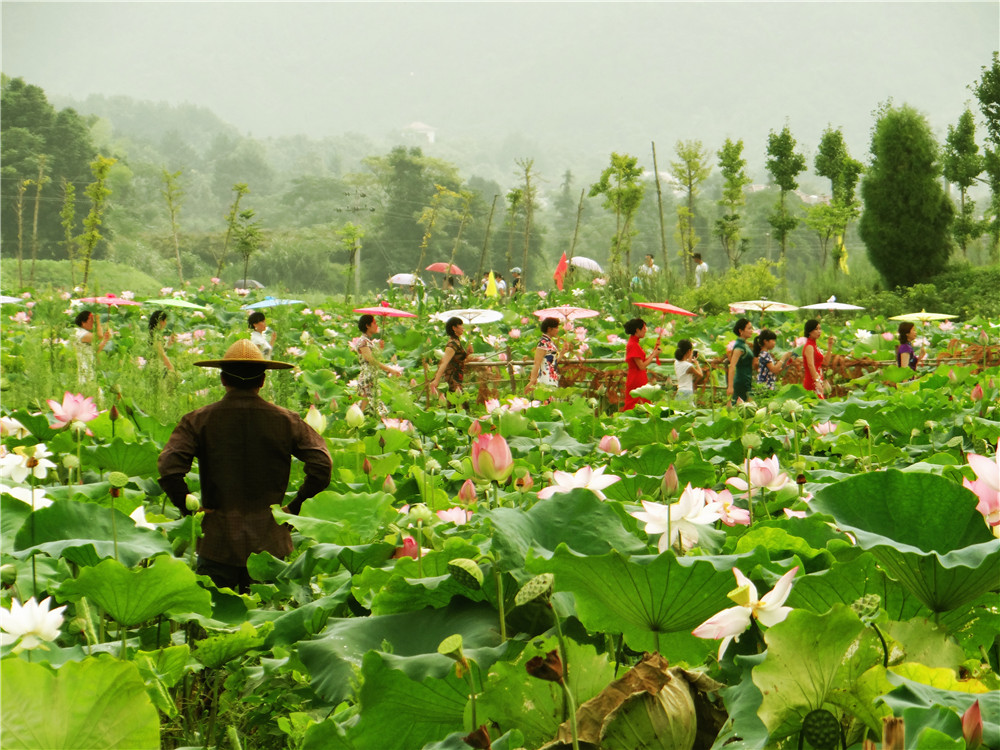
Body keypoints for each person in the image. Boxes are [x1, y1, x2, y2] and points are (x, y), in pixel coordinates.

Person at [157, 340, 332, 592]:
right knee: (265, 621)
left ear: (222, 379)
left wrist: (190, 512)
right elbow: (322, 465)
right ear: (262, 381)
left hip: (216, 540)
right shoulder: (287, 421)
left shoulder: (198, 420)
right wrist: (293, 508)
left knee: (216, 621)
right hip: (270, 541)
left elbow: (169, 468)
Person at [355, 313, 399, 416]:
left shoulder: (368, 341)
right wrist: (390, 369)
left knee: (367, 405)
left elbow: (374, 357)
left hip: (372, 376)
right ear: (367, 325)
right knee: (368, 405)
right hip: (367, 377)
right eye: (374, 323)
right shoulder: (363, 341)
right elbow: (371, 360)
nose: (376, 326)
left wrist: (380, 348)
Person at [429, 316, 479, 406]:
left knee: (458, 404)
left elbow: (458, 359)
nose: (463, 328)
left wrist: (468, 353)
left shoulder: (457, 341)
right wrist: (436, 380)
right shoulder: (452, 344)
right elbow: (445, 363)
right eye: (461, 325)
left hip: (458, 376)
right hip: (452, 378)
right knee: (458, 404)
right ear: (454, 328)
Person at [622, 317, 661, 411]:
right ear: (637, 330)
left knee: (641, 404)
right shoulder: (633, 345)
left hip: (638, 377)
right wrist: (654, 354)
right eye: (644, 328)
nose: (645, 331)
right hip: (636, 378)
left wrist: (654, 352)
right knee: (634, 404)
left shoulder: (634, 343)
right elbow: (641, 366)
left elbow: (642, 363)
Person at [526, 317, 567, 393]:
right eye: (556, 328)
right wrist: (532, 380)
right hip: (545, 377)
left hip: (553, 377)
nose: (558, 330)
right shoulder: (543, 343)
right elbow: (537, 362)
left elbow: (552, 362)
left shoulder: (550, 343)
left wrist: (562, 353)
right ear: (549, 329)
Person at [72, 309, 111, 384]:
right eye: (91, 321)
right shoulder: (79, 333)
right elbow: (99, 336)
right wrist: (98, 320)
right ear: (83, 323)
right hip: (82, 368)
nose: (93, 323)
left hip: (89, 367)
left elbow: (95, 351)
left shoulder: (85, 333)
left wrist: (105, 340)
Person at [802, 319, 835, 399]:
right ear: (809, 331)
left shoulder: (815, 346)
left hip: (818, 379)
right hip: (812, 381)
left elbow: (825, 362)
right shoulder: (809, 346)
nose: (819, 331)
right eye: (816, 329)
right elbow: (810, 365)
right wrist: (816, 381)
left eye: (820, 329)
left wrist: (830, 347)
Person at [726, 318, 754, 404]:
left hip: (747, 380)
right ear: (741, 331)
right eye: (749, 328)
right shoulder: (739, 347)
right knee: (741, 407)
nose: (751, 331)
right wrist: (730, 386)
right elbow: (732, 366)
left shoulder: (745, 345)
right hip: (741, 381)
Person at [148, 309, 174, 374]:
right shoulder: (156, 335)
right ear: (160, 321)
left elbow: (157, 350)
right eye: (165, 320)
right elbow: (161, 354)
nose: (165, 323)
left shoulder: (151, 333)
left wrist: (168, 344)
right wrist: (171, 368)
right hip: (158, 367)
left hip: (150, 365)